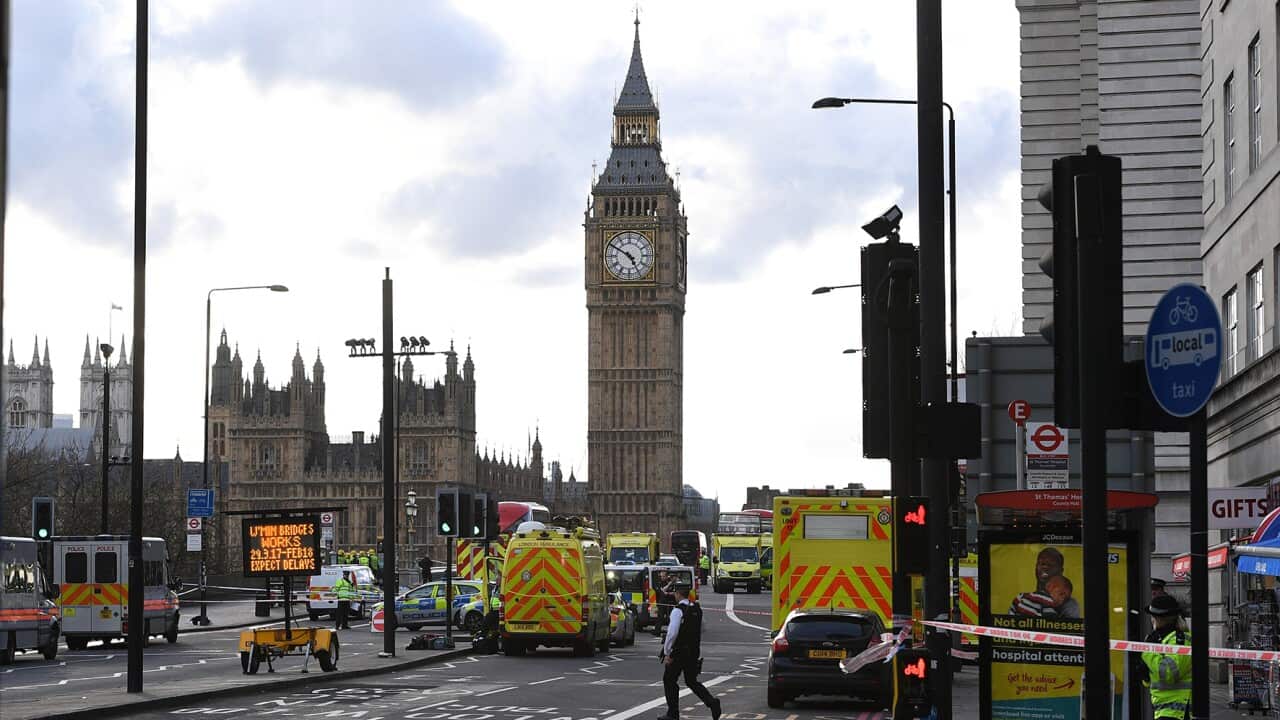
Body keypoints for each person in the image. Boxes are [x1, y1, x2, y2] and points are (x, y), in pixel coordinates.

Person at [658, 586, 721, 720]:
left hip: (679, 652)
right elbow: (703, 627)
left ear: (677, 594)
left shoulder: (677, 610)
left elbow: (672, 633)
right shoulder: (696, 609)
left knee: (669, 680)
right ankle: (712, 703)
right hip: (693, 651)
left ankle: (673, 713)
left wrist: (667, 651)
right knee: (692, 681)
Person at [1138, 593, 1191, 719]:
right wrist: (1144, 672)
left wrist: (1147, 652)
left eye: (1153, 617)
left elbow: (1169, 674)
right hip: (1164, 710)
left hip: (1178, 711)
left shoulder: (1180, 640)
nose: (1151, 620)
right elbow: (1150, 682)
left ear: (1160, 619)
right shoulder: (1159, 638)